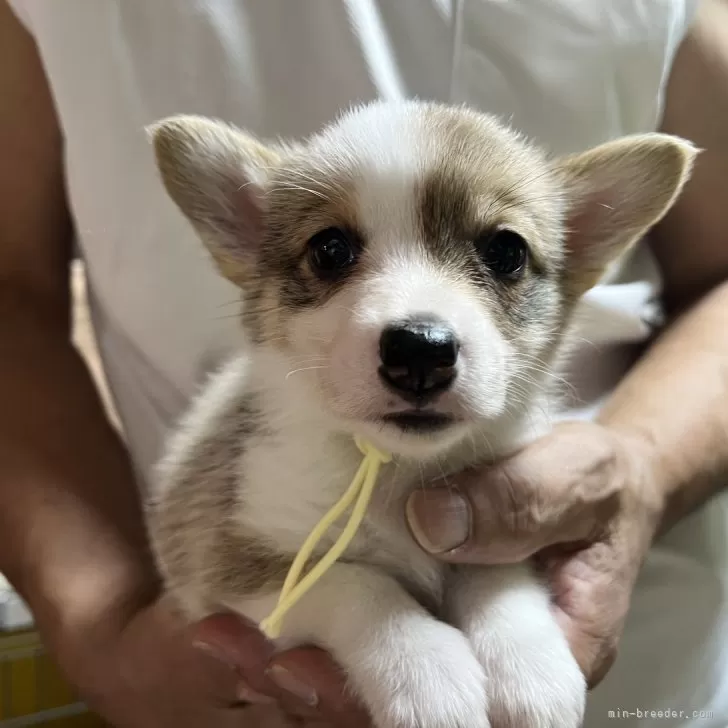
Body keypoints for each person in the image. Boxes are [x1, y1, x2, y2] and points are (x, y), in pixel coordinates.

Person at [1, 0, 727, 726]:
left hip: (648, 664)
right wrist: (103, 637)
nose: (418, 325)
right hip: (225, 697)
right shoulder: (272, 464)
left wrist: (639, 470)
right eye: (333, 252)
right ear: (249, 241)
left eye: (502, 254)